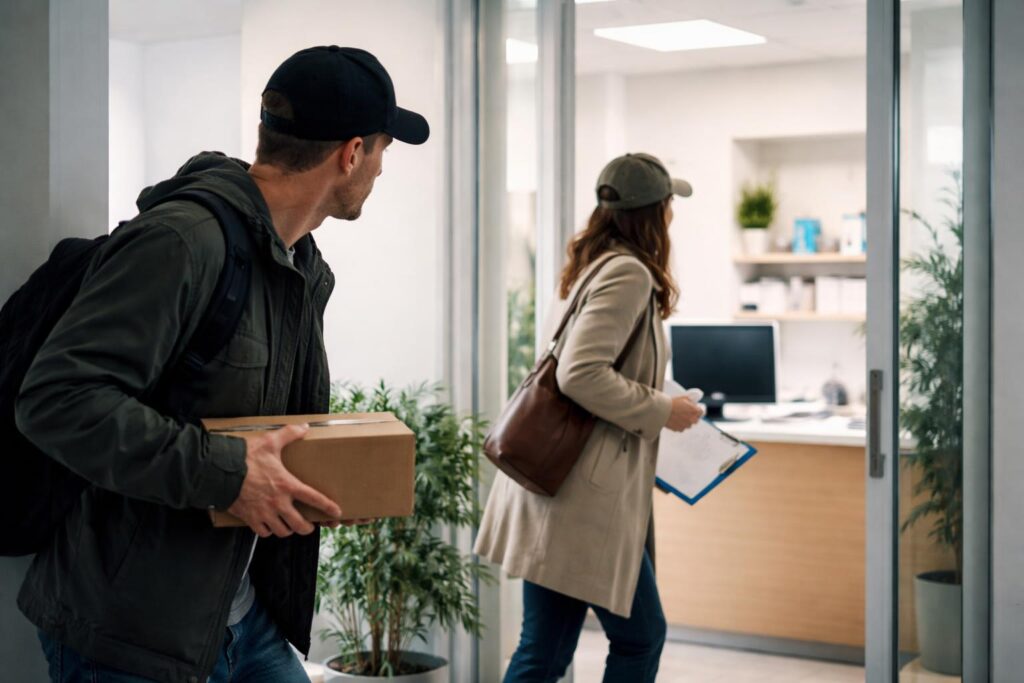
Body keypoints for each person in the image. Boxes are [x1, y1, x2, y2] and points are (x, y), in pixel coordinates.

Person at [14, 46, 429, 683]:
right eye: (380, 151)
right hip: (128, 638)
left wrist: (321, 478)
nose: (379, 168)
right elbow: (57, 399)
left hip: (240, 620)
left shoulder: (298, 265)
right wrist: (230, 475)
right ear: (351, 153)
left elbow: (237, 419)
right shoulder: (183, 242)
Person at [475, 153, 704, 683]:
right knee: (640, 637)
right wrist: (661, 410)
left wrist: (657, 410)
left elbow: (595, 370)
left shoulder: (597, 265)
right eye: (669, 206)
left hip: (567, 492)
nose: (671, 217)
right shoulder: (627, 273)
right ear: (654, 213)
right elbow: (580, 374)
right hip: (582, 502)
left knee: (545, 651)